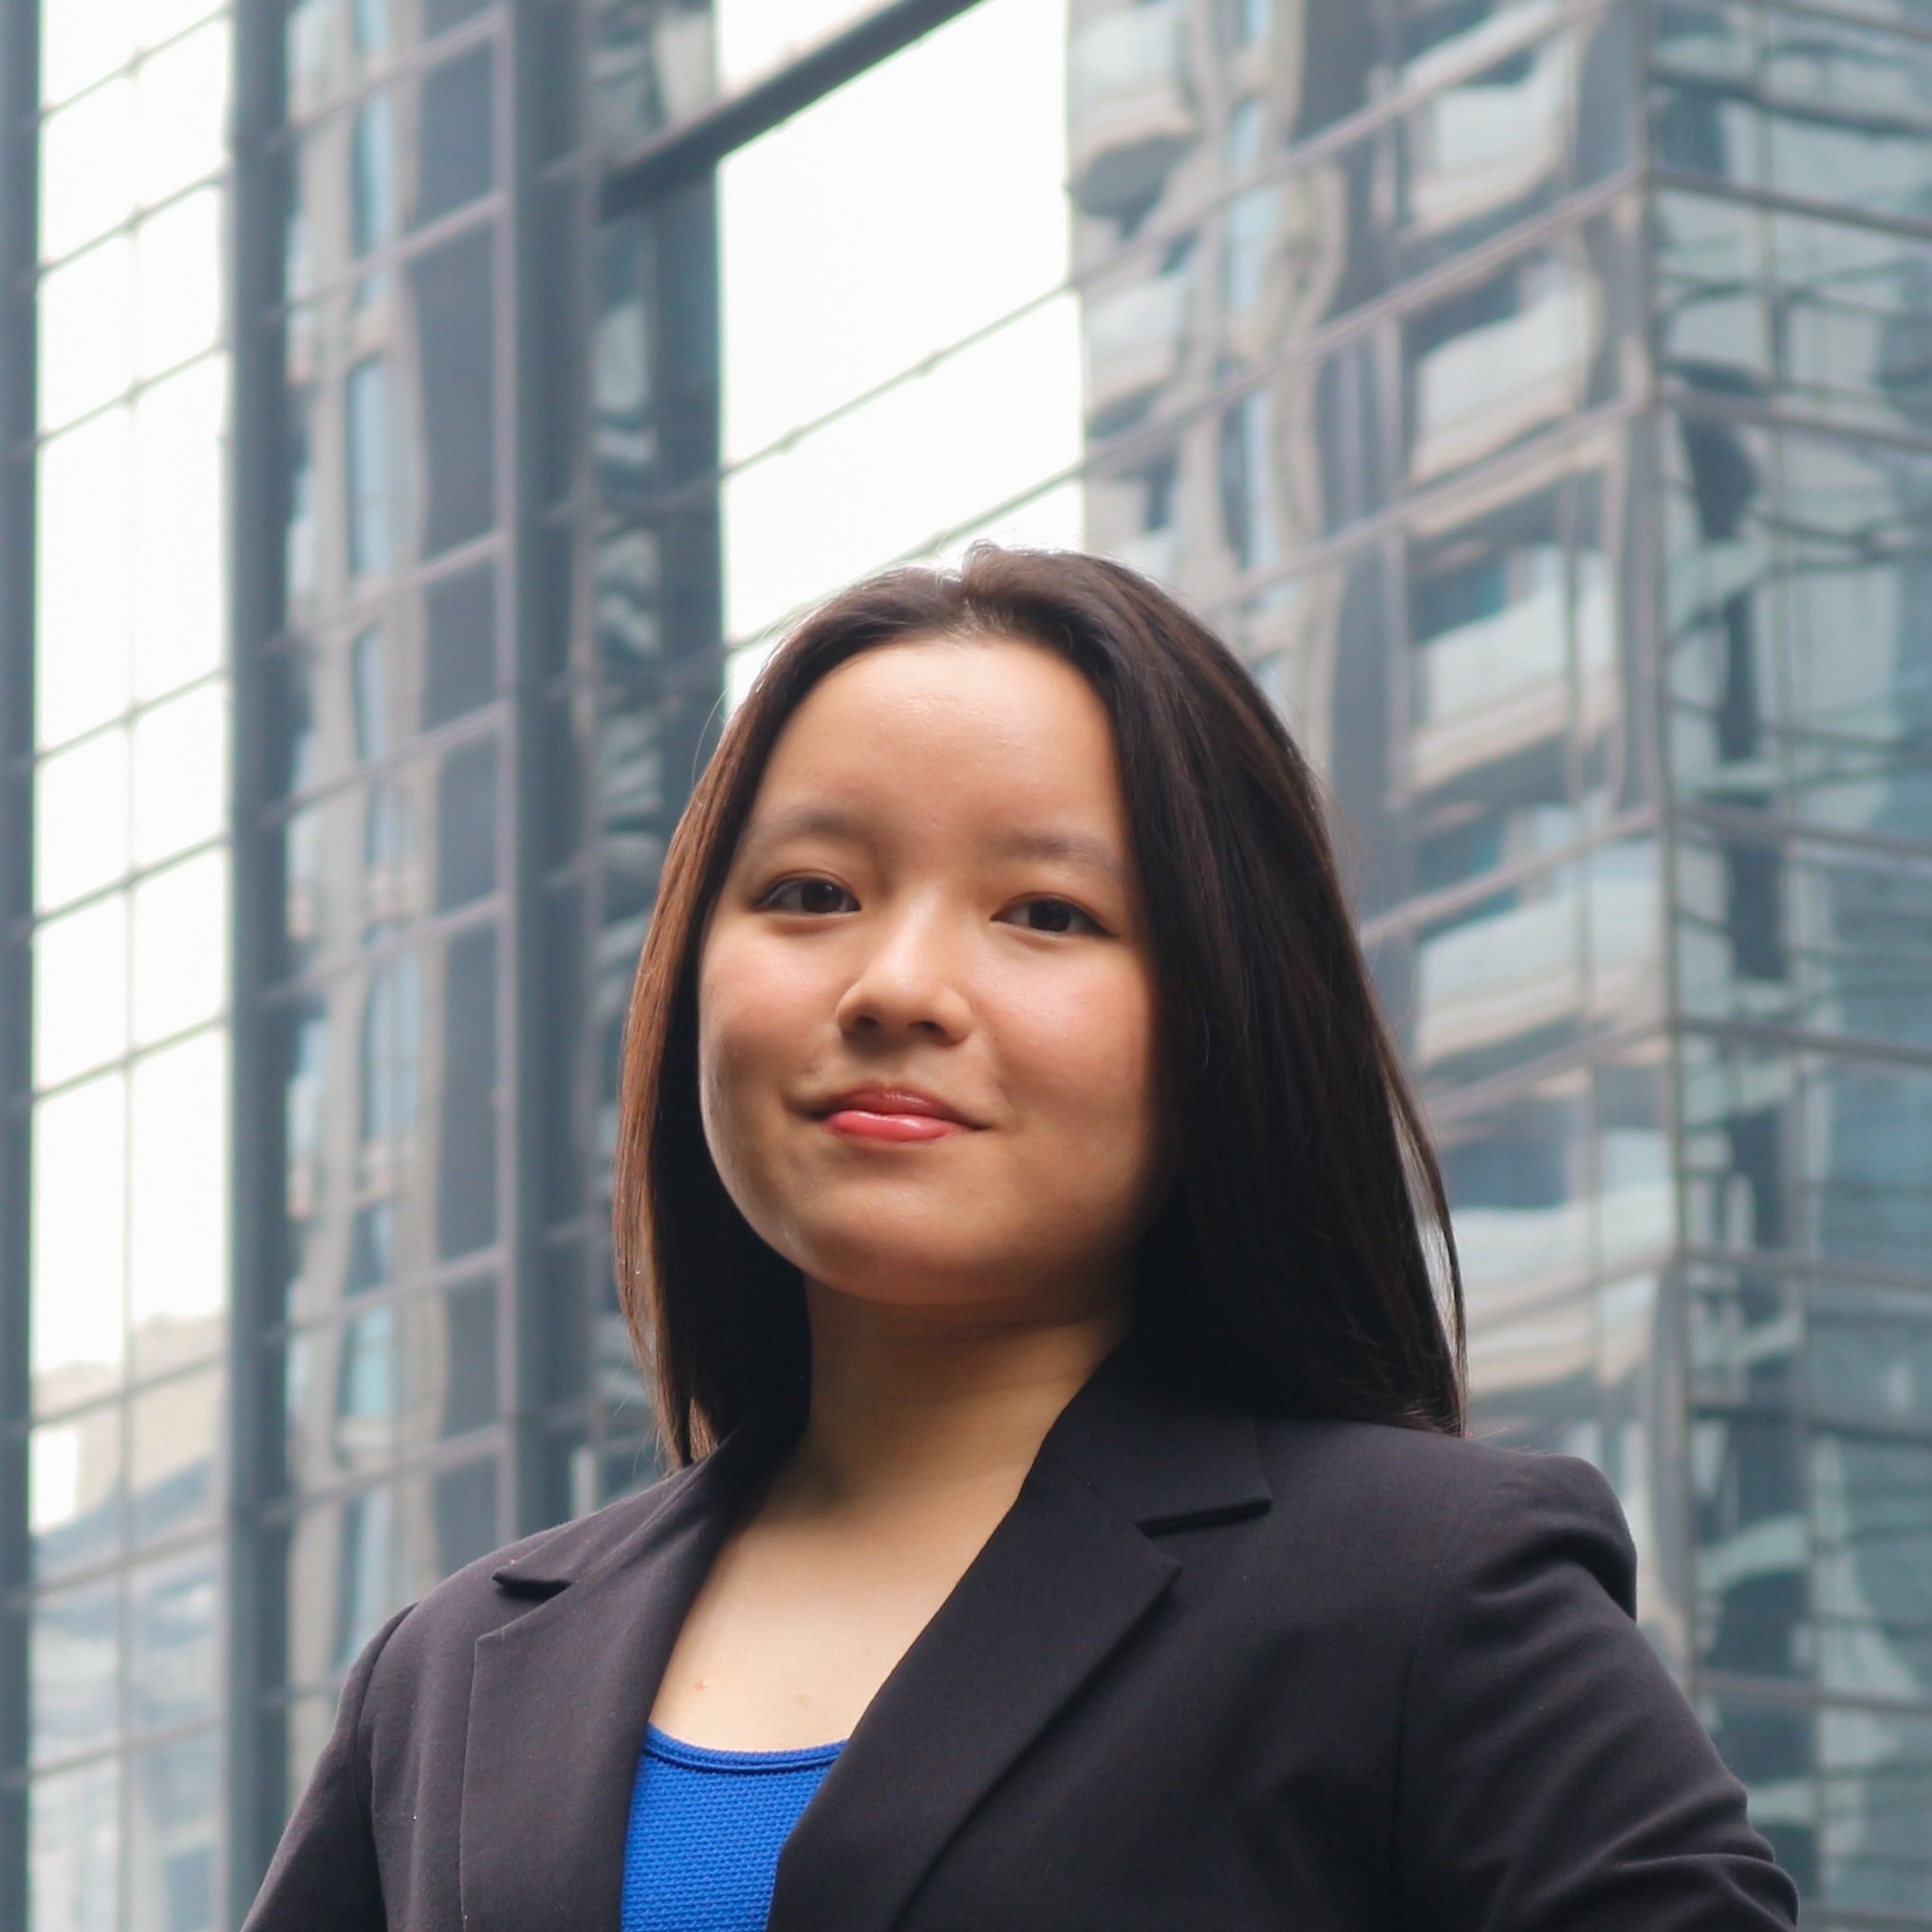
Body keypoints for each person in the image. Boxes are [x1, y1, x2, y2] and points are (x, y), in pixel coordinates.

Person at [244, 547, 1798, 1932]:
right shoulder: (449, 1676)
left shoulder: (1423, 1591)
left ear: (1224, 1020)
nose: (896, 987)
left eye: (1047, 913)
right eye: (811, 892)